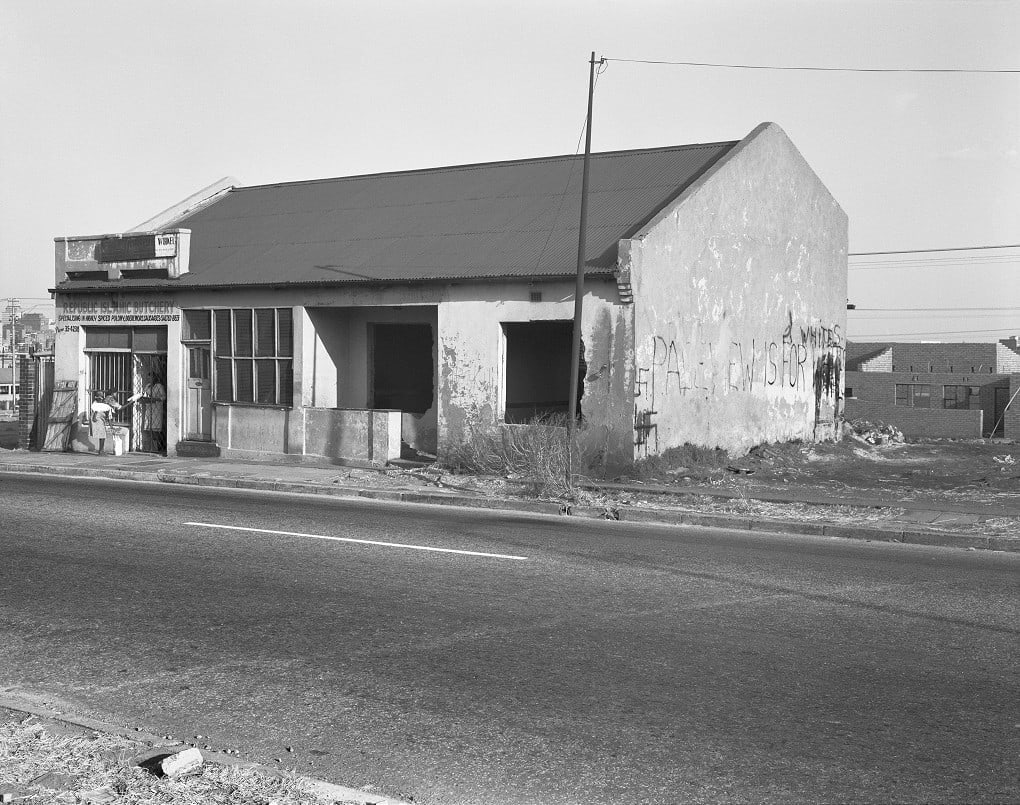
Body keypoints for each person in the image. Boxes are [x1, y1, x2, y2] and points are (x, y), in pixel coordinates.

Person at [141, 372, 167, 451]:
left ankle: (157, 447)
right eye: (148, 378)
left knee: (155, 429)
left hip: (157, 408)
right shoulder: (148, 386)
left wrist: (156, 399)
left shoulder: (159, 386)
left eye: (150, 378)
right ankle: (150, 447)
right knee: (149, 429)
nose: (149, 379)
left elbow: (164, 397)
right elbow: (144, 394)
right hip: (149, 407)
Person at [90, 391, 121, 456]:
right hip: (98, 419)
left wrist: (111, 427)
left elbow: (109, 418)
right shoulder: (104, 406)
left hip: (99, 418)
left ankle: (101, 450)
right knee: (102, 435)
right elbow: (97, 411)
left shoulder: (106, 407)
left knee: (102, 435)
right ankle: (101, 451)